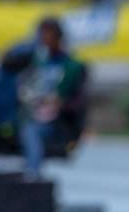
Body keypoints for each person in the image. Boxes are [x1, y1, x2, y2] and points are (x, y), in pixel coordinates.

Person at [7, 17, 87, 179]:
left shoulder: (71, 66)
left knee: (31, 131)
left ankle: (33, 174)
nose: (44, 40)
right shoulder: (34, 61)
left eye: (48, 35)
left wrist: (60, 104)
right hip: (30, 113)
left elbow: (78, 102)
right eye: (41, 35)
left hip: (56, 121)